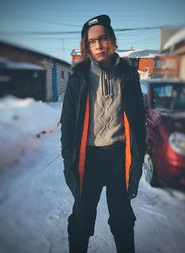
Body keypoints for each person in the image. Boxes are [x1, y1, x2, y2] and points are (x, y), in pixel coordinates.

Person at [60, 14, 146, 253]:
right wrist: (69, 157)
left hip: (119, 157)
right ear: (86, 47)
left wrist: (140, 152)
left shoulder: (129, 76)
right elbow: (67, 122)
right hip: (90, 159)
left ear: (113, 41)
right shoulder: (78, 77)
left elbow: (138, 120)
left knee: (122, 220)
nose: (98, 45)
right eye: (91, 41)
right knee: (82, 218)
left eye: (103, 38)